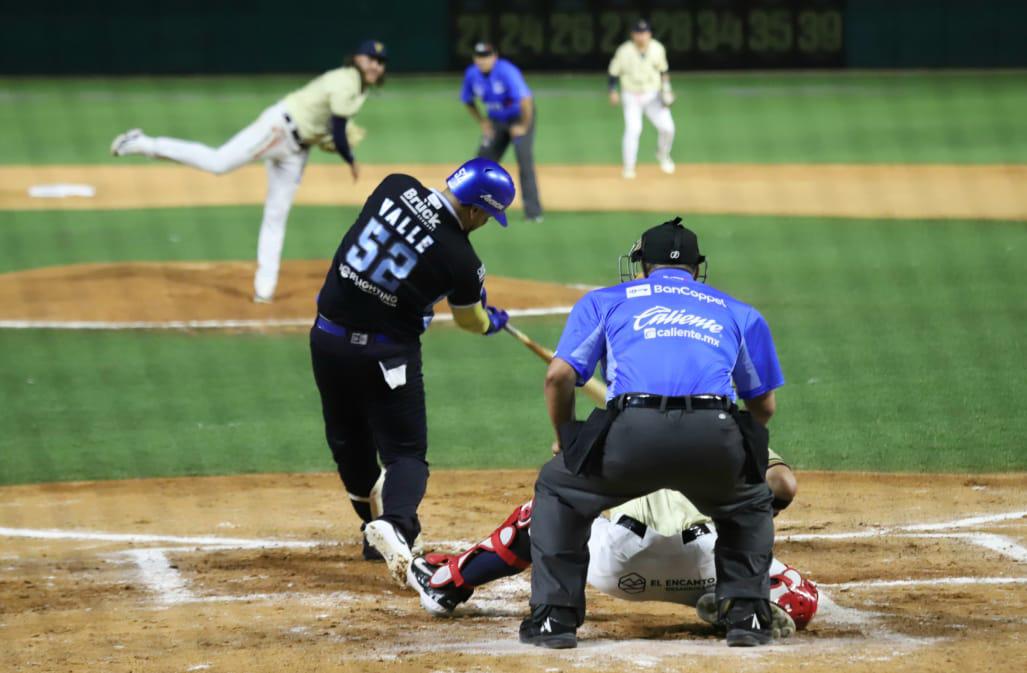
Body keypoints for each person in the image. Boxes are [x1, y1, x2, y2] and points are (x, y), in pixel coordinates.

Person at [519, 217, 785, 648]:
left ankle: (554, 620)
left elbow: (558, 377)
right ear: (697, 269)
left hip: (631, 434)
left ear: (642, 266)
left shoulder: (605, 301)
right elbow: (764, 405)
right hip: (714, 433)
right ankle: (748, 618)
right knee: (750, 501)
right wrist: (739, 453)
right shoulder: (737, 311)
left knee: (559, 490)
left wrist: (567, 437)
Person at [309, 158, 515, 586]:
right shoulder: (463, 261)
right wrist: (489, 321)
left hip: (327, 341)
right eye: (488, 216)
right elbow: (469, 320)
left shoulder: (394, 185)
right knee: (406, 453)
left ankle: (372, 532)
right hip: (386, 358)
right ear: (477, 210)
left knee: (349, 439)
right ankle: (398, 524)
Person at [406, 458, 819, 637]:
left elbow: (563, 472)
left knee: (544, 511)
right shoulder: (727, 425)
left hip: (618, 565)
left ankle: (449, 582)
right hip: (707, 564)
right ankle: (740, 603)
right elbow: (783, 485)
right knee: (802, 595)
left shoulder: (618, 422)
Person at [110, 40, 389, 303]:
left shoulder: (359, 87)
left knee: (277, 214)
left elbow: (330, 126)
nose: (376, 65)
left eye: (381, 61)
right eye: (371, 59)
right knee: (218, 163)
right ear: (357, 59)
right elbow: (339, 131)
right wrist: (349, 158)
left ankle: (264, 289)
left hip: (298, 149)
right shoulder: (345, 81)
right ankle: (141, 143)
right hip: (278, 129)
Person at [461, 42, 543, 223]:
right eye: (479, 57)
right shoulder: (472, 74)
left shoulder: (507, 71)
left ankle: (533, 212)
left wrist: (523, 126)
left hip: (519, 118)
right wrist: (483, 122)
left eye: (486, 56)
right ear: (475, 59)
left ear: (494, 57)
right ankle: (471, 207)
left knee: (524, 161)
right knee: (481, 163)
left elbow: (526, 100)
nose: (482, 60)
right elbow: (467, 100)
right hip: (496, 121)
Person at [607, 19, 676, 178]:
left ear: (649, 34)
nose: (641, 36)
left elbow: (663, 72)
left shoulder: (658, 49)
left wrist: (667, 90)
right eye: (638, 33)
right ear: (633, 35)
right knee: (633, 130)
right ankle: (629, 167)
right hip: (631, 95)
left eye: (644, 33)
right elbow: (613, 73)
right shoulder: (624, 51)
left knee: (668, 128)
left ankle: (663, 155)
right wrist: (612, 91)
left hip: (653, 95)